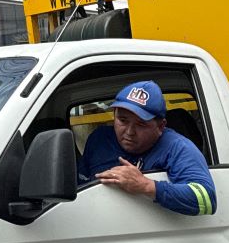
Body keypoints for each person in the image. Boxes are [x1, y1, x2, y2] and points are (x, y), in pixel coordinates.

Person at [77, 81, 216, 216]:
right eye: (123, 120)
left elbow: (206, 199)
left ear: (161, 126)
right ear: (114, 115)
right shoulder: (99, 139)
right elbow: (79, 183)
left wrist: (145, 185)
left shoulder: (176, 147)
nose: (130, 131)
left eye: (141, 124)